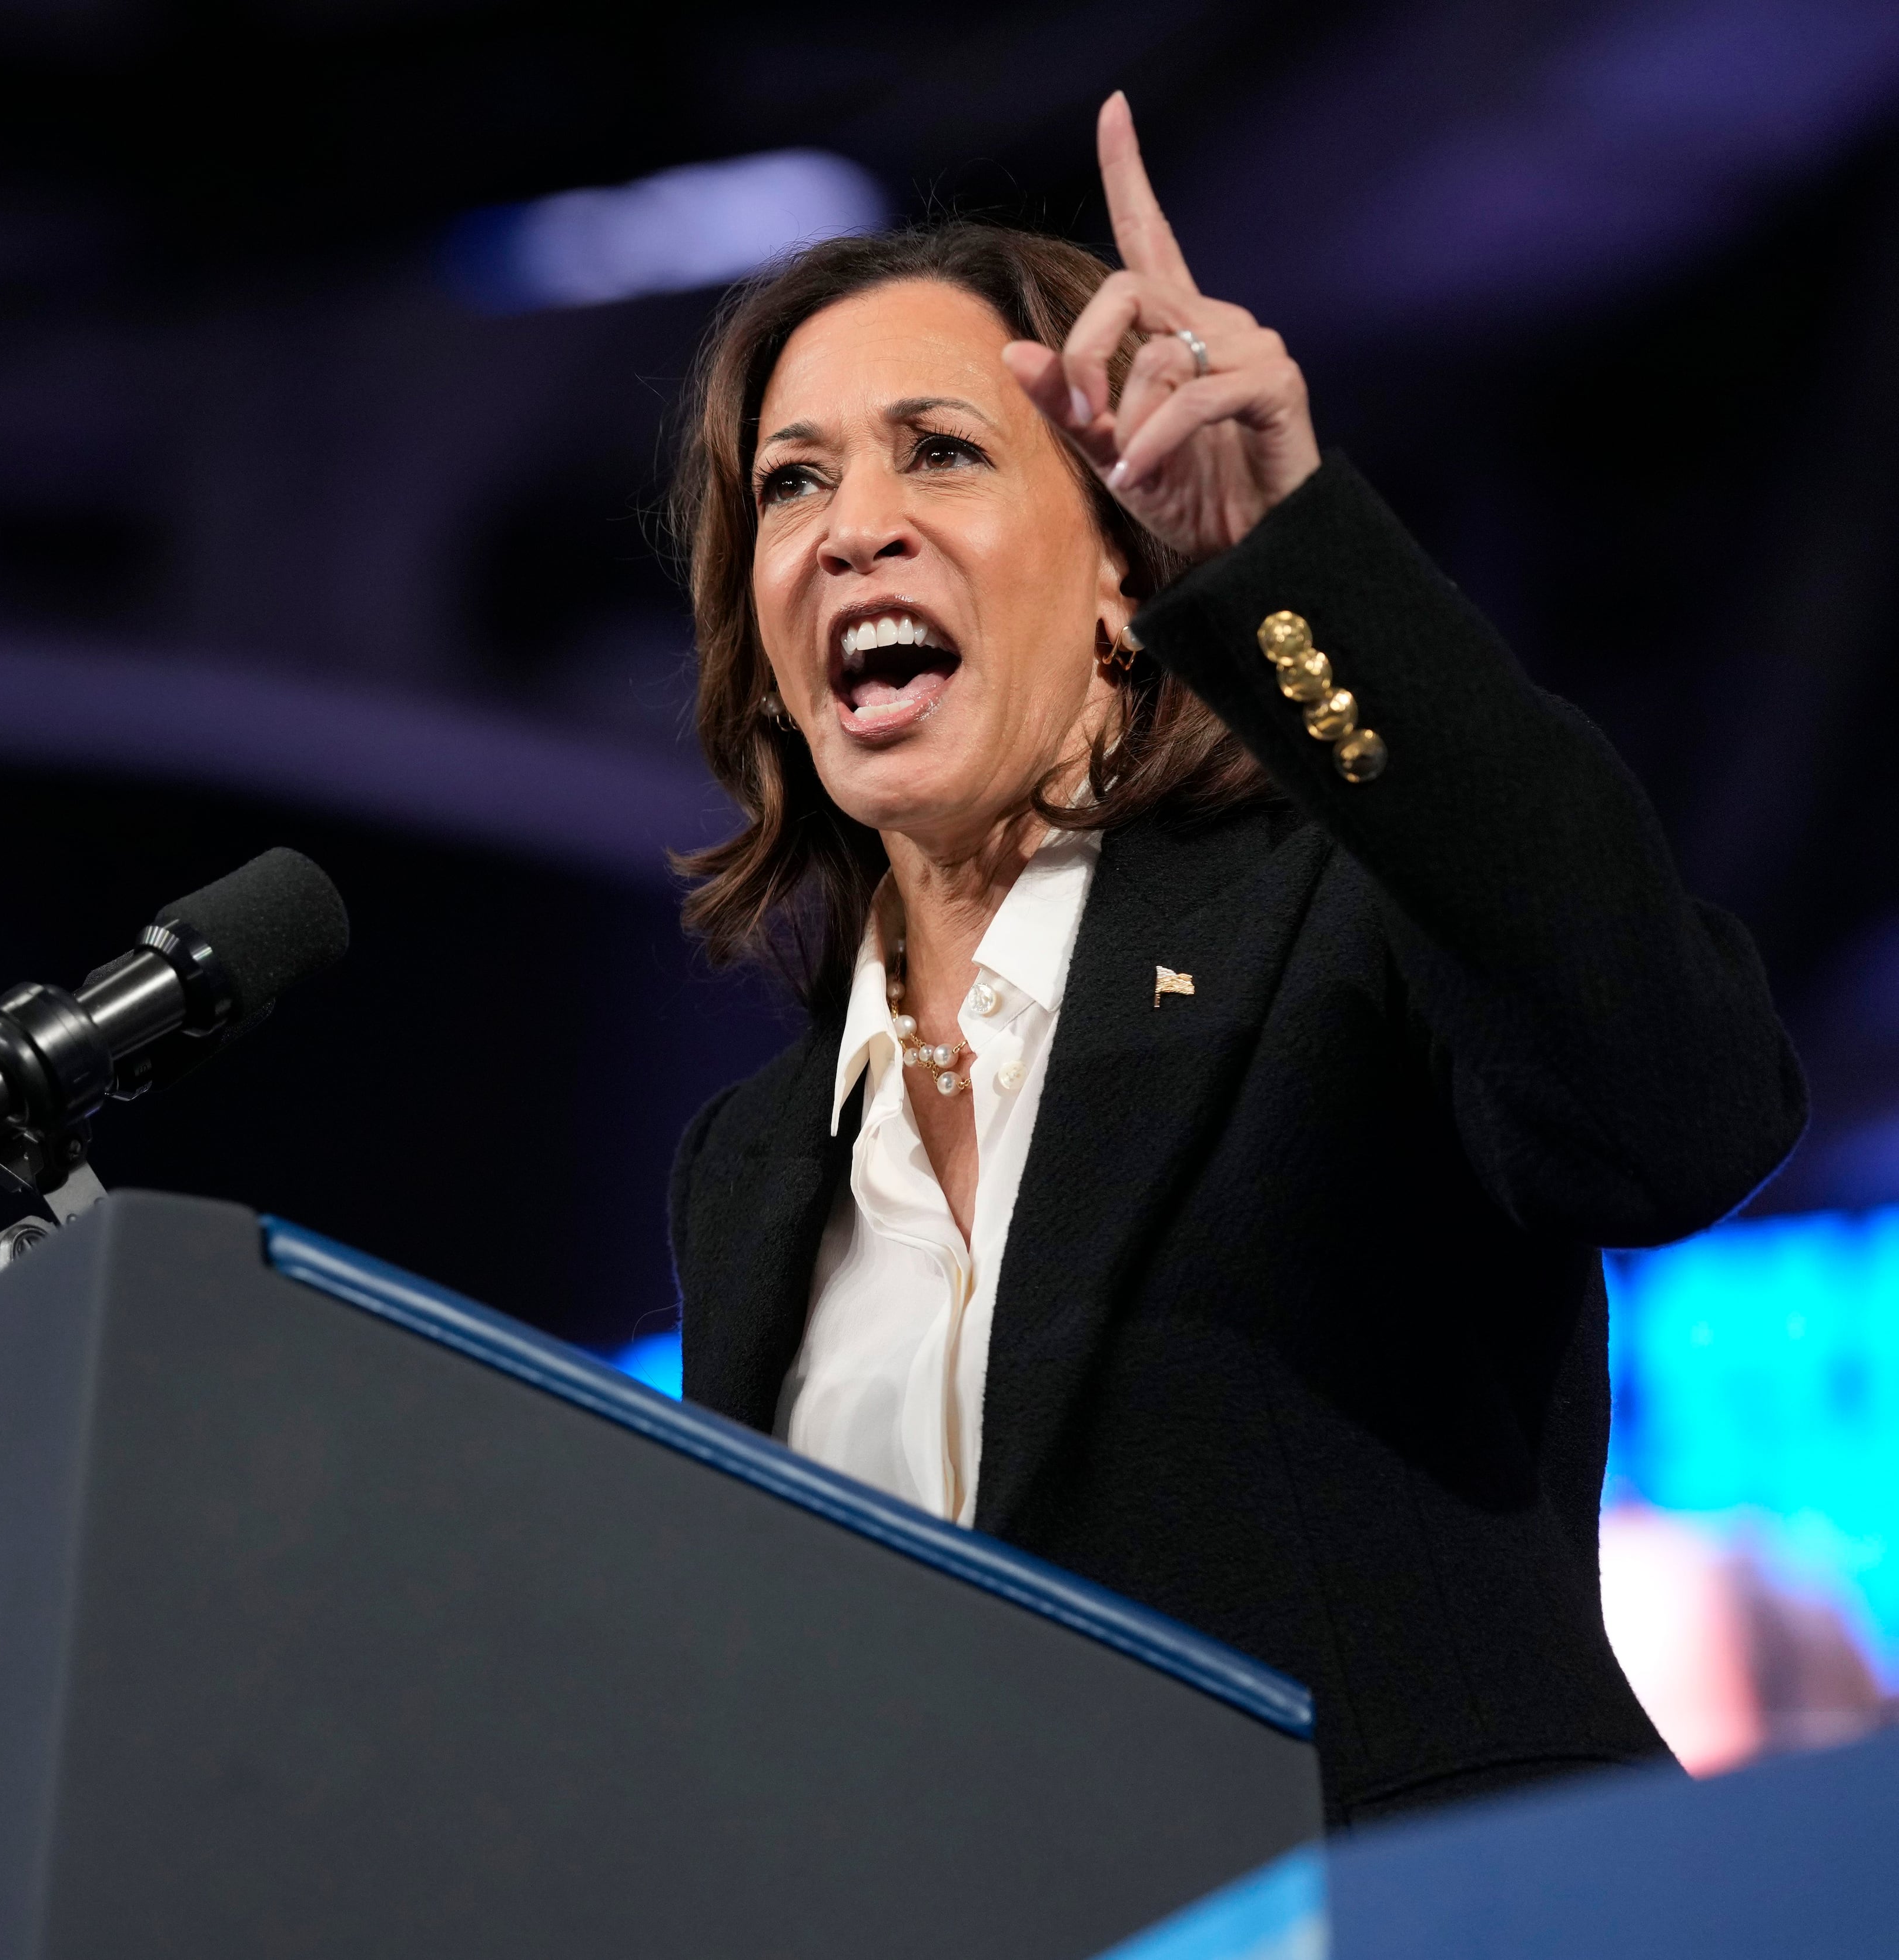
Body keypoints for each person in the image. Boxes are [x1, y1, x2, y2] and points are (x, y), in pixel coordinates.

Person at [664, 94, 1805, 1825]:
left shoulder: (1344, 929)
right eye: (792, 480)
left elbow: (1685, 1105)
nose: (852, 526)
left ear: (1129, 576)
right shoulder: (747, 1174)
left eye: (943, 452)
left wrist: (1292, 571)